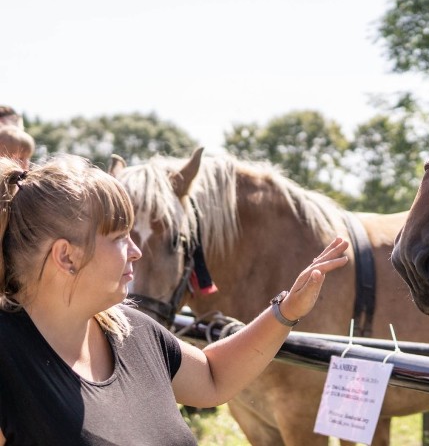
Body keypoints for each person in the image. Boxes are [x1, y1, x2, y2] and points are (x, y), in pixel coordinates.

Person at [0, 154, 349, 445]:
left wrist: (287, 310)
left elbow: (213, 376)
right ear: (67, 257)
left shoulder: (131, 330)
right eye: (121, 237)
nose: (136, 252)